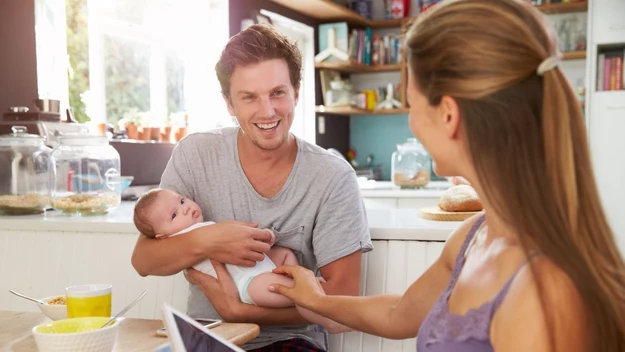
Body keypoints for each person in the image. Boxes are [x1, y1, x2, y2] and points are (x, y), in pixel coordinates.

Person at [267, 0, 625, 351]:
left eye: (413, 102)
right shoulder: (474, 236)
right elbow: (397, 313)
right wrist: (315, 298)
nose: (411, 121)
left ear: (448, 115)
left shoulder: (547, 293)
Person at [130, 23, 373, 352]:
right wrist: (210, 239)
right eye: (249, 97)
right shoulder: (195, 155)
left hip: (291, 341)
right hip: (206, 336)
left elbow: (344, 307)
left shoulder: (332, 176)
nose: (268, 111)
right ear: (229, 103)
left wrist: (241, 311)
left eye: (277, 93)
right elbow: (144, 260)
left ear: (296, 92)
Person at [132, 188, 350, 333]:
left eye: (182, 200)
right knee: (285, 290)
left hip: (259, 267)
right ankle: (316, 301)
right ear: (162, 236)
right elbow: (143, 262)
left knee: (284, 254)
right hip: (248, 285)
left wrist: (265, 236)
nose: (185, 207)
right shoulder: (176, 242)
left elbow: (240, 232)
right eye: (174, 215)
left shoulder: (200, 227)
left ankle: (303, 284)